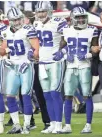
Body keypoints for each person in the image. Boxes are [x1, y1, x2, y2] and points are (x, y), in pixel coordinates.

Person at [57, 7, 99, 134]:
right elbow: (62, 48)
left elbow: (96, 49)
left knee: (87, 95)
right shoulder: (66, 30)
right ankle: (68, 125)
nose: (81, 19)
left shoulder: (92, 30)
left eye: (83, 17)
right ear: (73, 18)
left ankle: (88, 125)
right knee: (68, 96)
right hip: (70, 66)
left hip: (84, 66)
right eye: (78, 17)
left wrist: (88, 55)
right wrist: (64, 55)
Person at [0, 7, 39, 134]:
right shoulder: (5, 32)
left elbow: (37, 49)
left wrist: (29, 59)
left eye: (19, 19)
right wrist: (5, 57)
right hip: (13, 67)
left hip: (26, 66)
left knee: (26, 95)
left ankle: (27, 125)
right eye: (14, 20)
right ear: (9, 20)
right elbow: (2, 49)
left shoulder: (28, 30)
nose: (17, 22)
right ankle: (16, 124)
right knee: (10, 96)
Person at [34, 1, 68, 133]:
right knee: (47, 95)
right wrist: (33, 51)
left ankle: (59, 124)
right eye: (39, 11)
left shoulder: (59, 22)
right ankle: (52, 123)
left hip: (55, 62)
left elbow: (69, 39)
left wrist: (62, 52)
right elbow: (34, 42)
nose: (41, 14)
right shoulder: (36, 24)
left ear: (49, 11)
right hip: (42, 63)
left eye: (43, 11)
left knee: (55, 93)